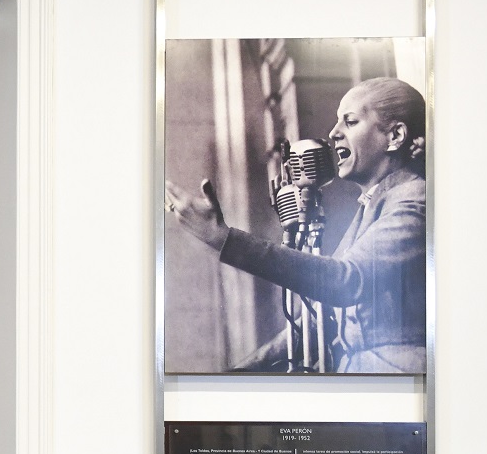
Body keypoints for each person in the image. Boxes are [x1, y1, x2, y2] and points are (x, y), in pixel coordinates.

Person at [167, 76, 426, 372]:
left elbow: (345, 281)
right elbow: (321, 315)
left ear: (395, 135)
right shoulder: (372, 205)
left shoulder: (414, 199)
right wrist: (242, 371)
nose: (333, 133)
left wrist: (226, 240)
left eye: (350, 122)